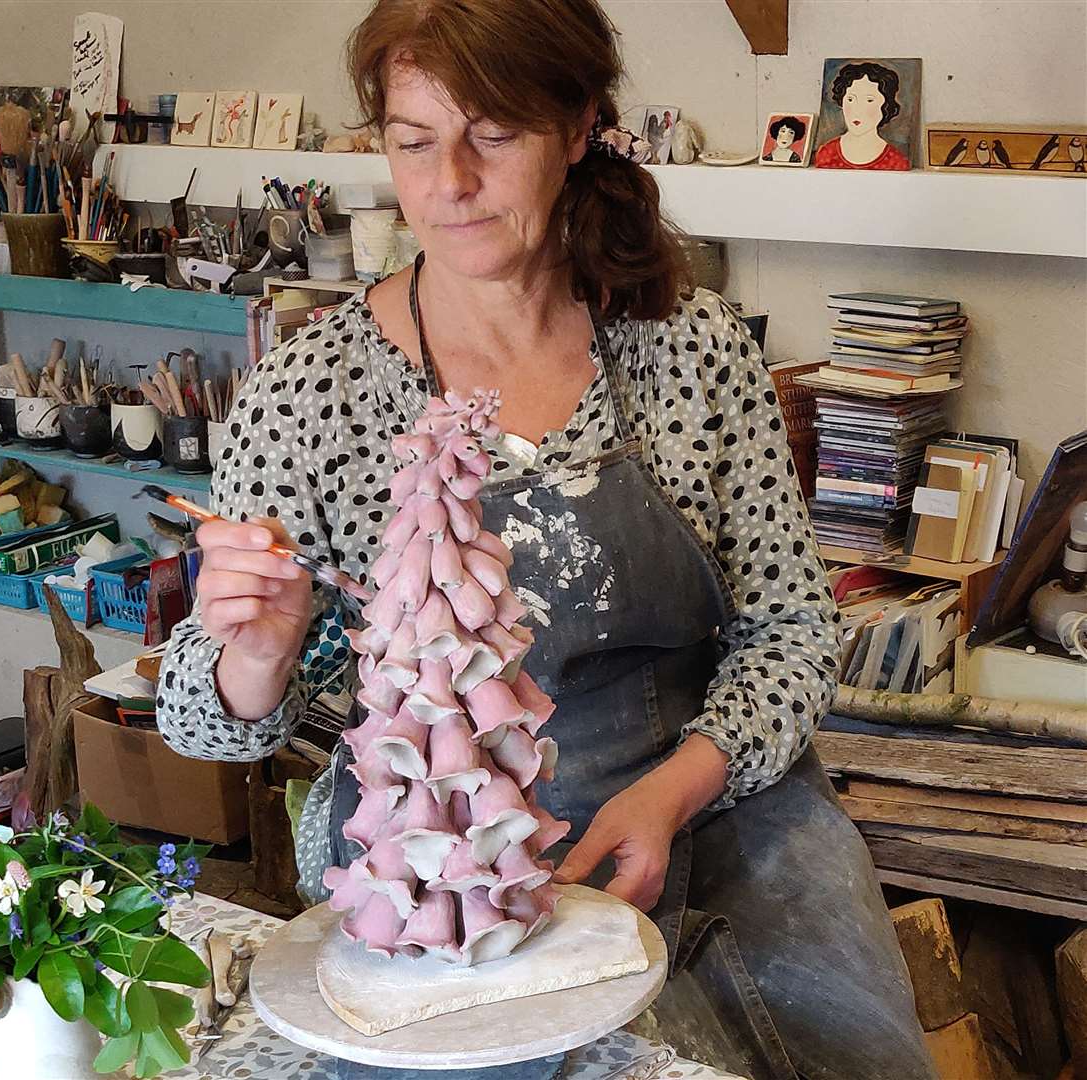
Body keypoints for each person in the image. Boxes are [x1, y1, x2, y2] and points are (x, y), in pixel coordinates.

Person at [156, 3, 936, 1077]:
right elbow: (210, 730)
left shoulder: (688, 346)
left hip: (706, 794)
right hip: (436, 855)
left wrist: (674, 792)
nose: (449, 185)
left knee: (828, 1050)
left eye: (494, 134)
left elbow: (796, 627)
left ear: (577, 128)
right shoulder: (311, 390)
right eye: (413, 141)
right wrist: (256, 651)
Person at [814, 61, 910, 170]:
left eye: (869, 100)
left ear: (886, 106)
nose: (857, 110)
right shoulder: (826, 154)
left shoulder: (896, 162)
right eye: (850, 99)